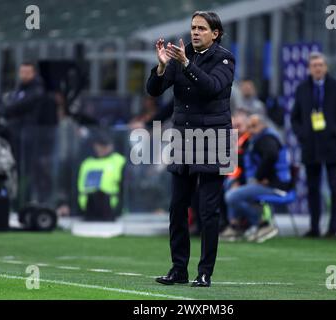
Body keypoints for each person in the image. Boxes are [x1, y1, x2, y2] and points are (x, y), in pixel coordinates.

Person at [146, 11, 235, 287]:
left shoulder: (224, 58)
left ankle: (205, 272)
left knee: (208, 210)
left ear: (215, 33)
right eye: (193, 27)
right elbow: (154, 90)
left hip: (215, 138)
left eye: (201, 28)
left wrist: (185, 64)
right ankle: (178, 269)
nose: (195, 32)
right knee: (177, 207)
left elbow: (212, 88)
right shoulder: (180, 54)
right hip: (183, 138)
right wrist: (161, 67)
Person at [291, 52, 336, 238]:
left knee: (335, 187)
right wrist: (301, 133)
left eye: (320, 65)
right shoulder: (302, 88)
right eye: (314, 65)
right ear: (309, 69)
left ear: (326, 67)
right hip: (310, 145)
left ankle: (333, 228)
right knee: (313, 188)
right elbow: (294, 117)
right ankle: (314, 227)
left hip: (332, 144)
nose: (317, 68)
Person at [223, 114, 291, 242]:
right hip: (266, 182)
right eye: (249, 127)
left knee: (231, 196)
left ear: (263, 125)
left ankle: (262, 223)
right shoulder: (258, 139)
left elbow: (271, 156)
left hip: (274, 185)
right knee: (231, 187)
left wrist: (261, 177)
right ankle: (237, 226)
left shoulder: (267, 138)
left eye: (254, 126)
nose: (250, 130)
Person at [77, 132, 126, 221]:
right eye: (101, 145)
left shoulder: (119, 161)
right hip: (87, 209)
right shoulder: (86, 163)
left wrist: (119, 208)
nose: (103, 148)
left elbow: (125, 188)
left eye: (106, 145)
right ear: (95, 146)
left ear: (112, 146)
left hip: (110, 209)